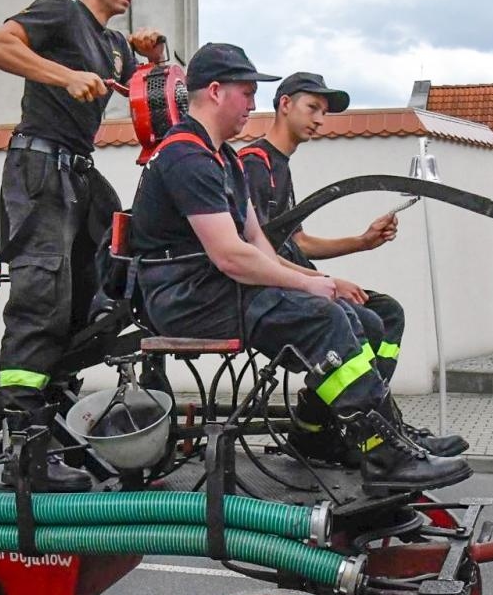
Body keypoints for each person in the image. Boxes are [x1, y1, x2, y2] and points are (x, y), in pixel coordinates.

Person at [127, 43, 470, 493]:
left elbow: (259, 245)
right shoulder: (186, 156)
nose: (253, 105)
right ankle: (381, 457)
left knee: (351, 313)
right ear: (214, 91)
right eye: (246, 93)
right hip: (186, 300)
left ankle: (380, 442)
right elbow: (231, 255)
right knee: (324, 317)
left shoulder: (224, 158)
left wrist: (317, 281)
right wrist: (315, 287)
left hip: (213, 290)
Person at [0, 0, 165, 490]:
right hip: (38, 169)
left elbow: (138, 85)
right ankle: (22, 450)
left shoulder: (111, 45)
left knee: (97, 294)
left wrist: (150, 54)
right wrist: (61, 76)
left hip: (78, 175)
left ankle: (52, 422)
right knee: (42, 296)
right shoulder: (59, 10)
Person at [238, 72, 468, 464]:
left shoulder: (281, 167)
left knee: (387, 313)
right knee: (368, 322)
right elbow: (255, 251)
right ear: (284, 104)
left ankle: (330, 426)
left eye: (324, 113)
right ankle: (371, 435)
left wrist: (362, 241)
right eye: (313, 108)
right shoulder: (254, 164)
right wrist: (325, 282)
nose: (319, 120)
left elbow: (299, 242)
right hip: (272, 290)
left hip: (296, 280)